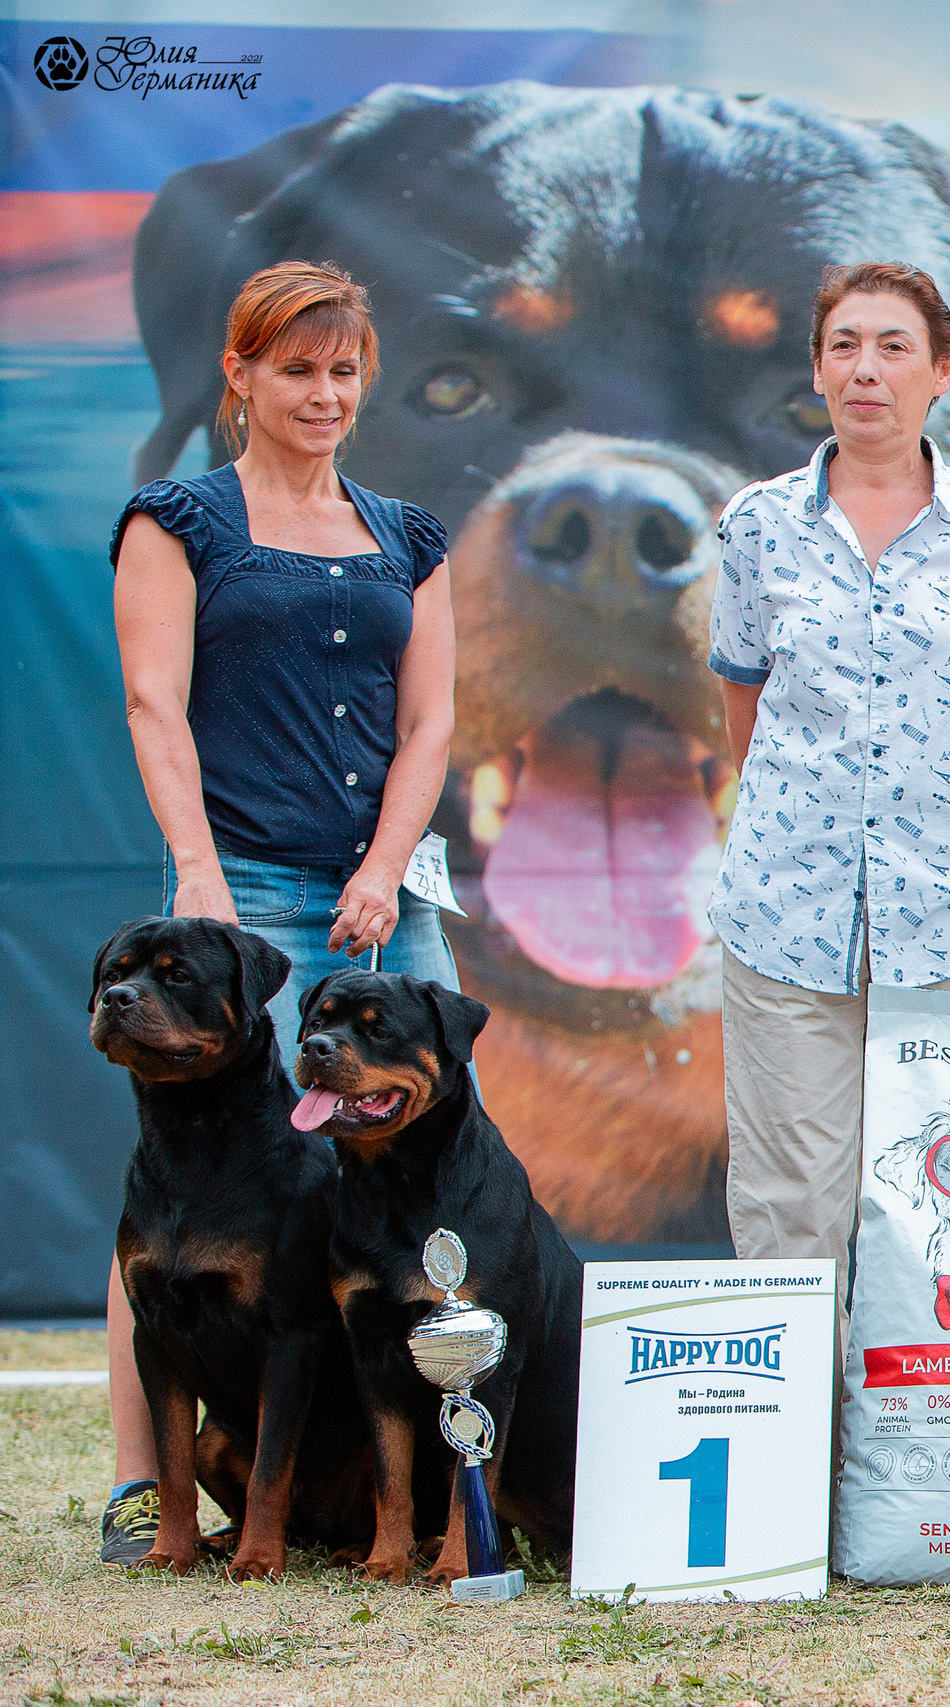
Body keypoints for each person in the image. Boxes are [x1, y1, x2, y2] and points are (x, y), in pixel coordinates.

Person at [104, 260, 458, 1563]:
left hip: (384, 903)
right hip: (237, 894)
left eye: (343, 370)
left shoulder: (411, 535)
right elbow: (156, 702)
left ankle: (421, 1484)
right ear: (238, 375)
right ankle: (149, 1492)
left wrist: (387, 862)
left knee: (420, 1182)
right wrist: (197, 872)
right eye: (296, 368)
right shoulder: (177, 519)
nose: (322, 391)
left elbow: (431, 723)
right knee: (179, 1198)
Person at [707, 261, 950, 1336]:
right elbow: (740, 712)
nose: (868, 369)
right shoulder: (758, 525)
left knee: (937, 1200)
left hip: (949, 917)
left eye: (894, 346)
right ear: (817, 370)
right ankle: (801, 1475)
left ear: (942, 371)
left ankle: (908, 1480)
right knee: (789, 1204)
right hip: (784, 914)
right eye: (845, 345)